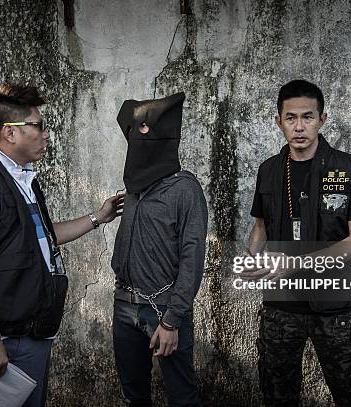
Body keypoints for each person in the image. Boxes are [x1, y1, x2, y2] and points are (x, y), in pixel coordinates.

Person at [0, 84, 123, 407]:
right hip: (10, 342)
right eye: (38, 125)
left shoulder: (23, 180)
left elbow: (42, 236)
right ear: (10, 133)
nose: (47, 135)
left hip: (33, 337)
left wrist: (98, 217)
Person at [245, 79, 351, 406]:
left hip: (336, 308)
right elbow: (260, 226)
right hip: (280, 307)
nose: (300, 126)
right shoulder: (269, 170)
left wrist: (295, 262)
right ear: (279, 122)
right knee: (277, 397)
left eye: (308, 117)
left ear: (323, 118)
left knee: (349, 397)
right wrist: (250, 258)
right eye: (291, 118)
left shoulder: (348, 169)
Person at [111, 92, 208, 407]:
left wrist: (171, 320)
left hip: (164, 310)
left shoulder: (185, 190)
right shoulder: (134, 189)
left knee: (182, 397)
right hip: (124, 305)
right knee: (133, 396)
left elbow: (192, 262)